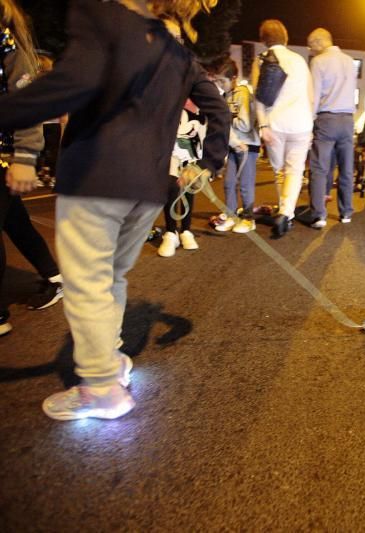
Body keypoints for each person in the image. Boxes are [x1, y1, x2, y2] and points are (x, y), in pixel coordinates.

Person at [0, 0, 230, 420]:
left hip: (97, 178)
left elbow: (71, 83)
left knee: (87, 285)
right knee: (110, 278)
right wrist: (208, 162)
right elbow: (219, 108)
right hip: (148, 187)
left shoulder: (103, 16)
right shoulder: (179, 52)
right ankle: (112, 360)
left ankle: (101, 388)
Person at [0, 0, 64, 337]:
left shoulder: (9, 46)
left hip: (4, 153)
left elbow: (29, 104)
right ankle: (54, 275)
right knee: (16, 222)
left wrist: (25, 157)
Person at [253, 19, 313, 238]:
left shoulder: (262, 60)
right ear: (285, 37)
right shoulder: (299, 60)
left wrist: (262, 125)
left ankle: (283, 209)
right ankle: (286, 213)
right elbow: (310, 95)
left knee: (280, 171)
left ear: (263, 39)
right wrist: (311, 123)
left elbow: (258, 97)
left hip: (275, 124)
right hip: (301, 123)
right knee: (295, 171)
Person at [307, 28, 357, 229]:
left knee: (319, 168)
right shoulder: (349, 61)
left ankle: (319, 214)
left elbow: (314, 95)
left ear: (319, 42)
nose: (311, 51)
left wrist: (310, 122)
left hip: (327, 119)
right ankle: (346, 212)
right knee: (346, 169)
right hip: (347, 120)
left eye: (311, 46)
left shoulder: (318, 62)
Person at [210, 58, 260, 233]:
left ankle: (248, 219)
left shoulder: (242, 93)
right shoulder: (227, 95)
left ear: (233, 78)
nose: (220, 85)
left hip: (247, 145)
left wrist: (226, 119)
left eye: (222, 81)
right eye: (217, 81)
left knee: (245, 184)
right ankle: (230, 214)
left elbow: (245, 123)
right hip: (234, 144)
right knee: (229, 182)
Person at [158, 101, 206, 257]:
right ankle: (171, 232)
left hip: (191, 156)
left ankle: (186, 229)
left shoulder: (203, 109)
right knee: (171, 188)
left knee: (188, 192)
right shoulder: (171, 101)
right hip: (170, 155)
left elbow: (205, 135)